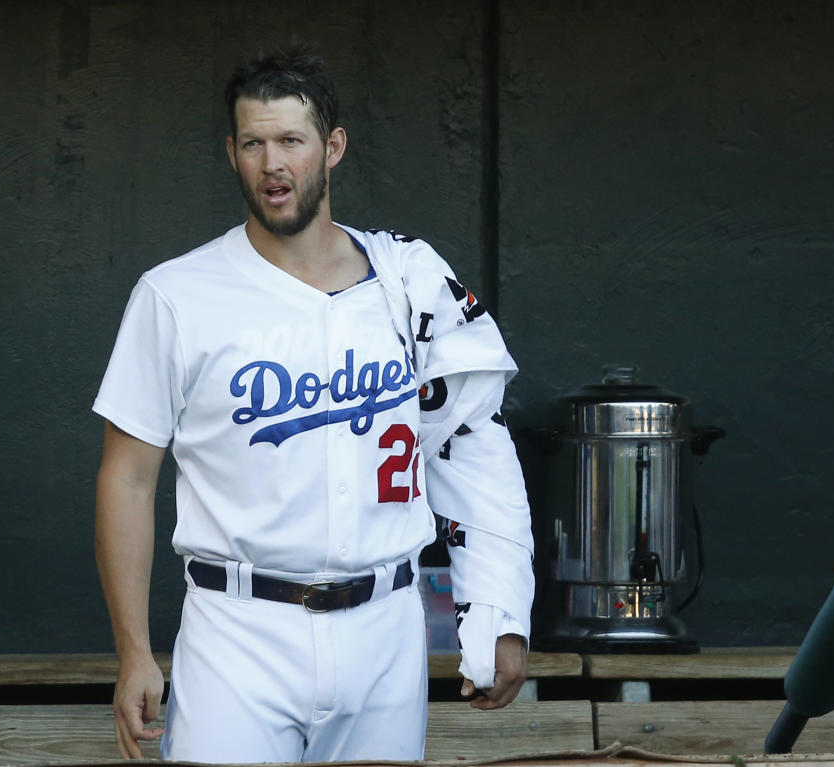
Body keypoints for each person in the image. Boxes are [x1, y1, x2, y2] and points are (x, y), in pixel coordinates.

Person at [93, 43, 534, 763]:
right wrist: (135, 651)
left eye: (291, 141)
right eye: (255, 143)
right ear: (231, 151)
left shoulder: (410, 281)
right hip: (238, 626)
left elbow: (471, 444)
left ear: (331, 148)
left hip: (386, 624)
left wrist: (499, 611)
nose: (273, 165)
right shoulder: (176, 294)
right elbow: (128, 477)